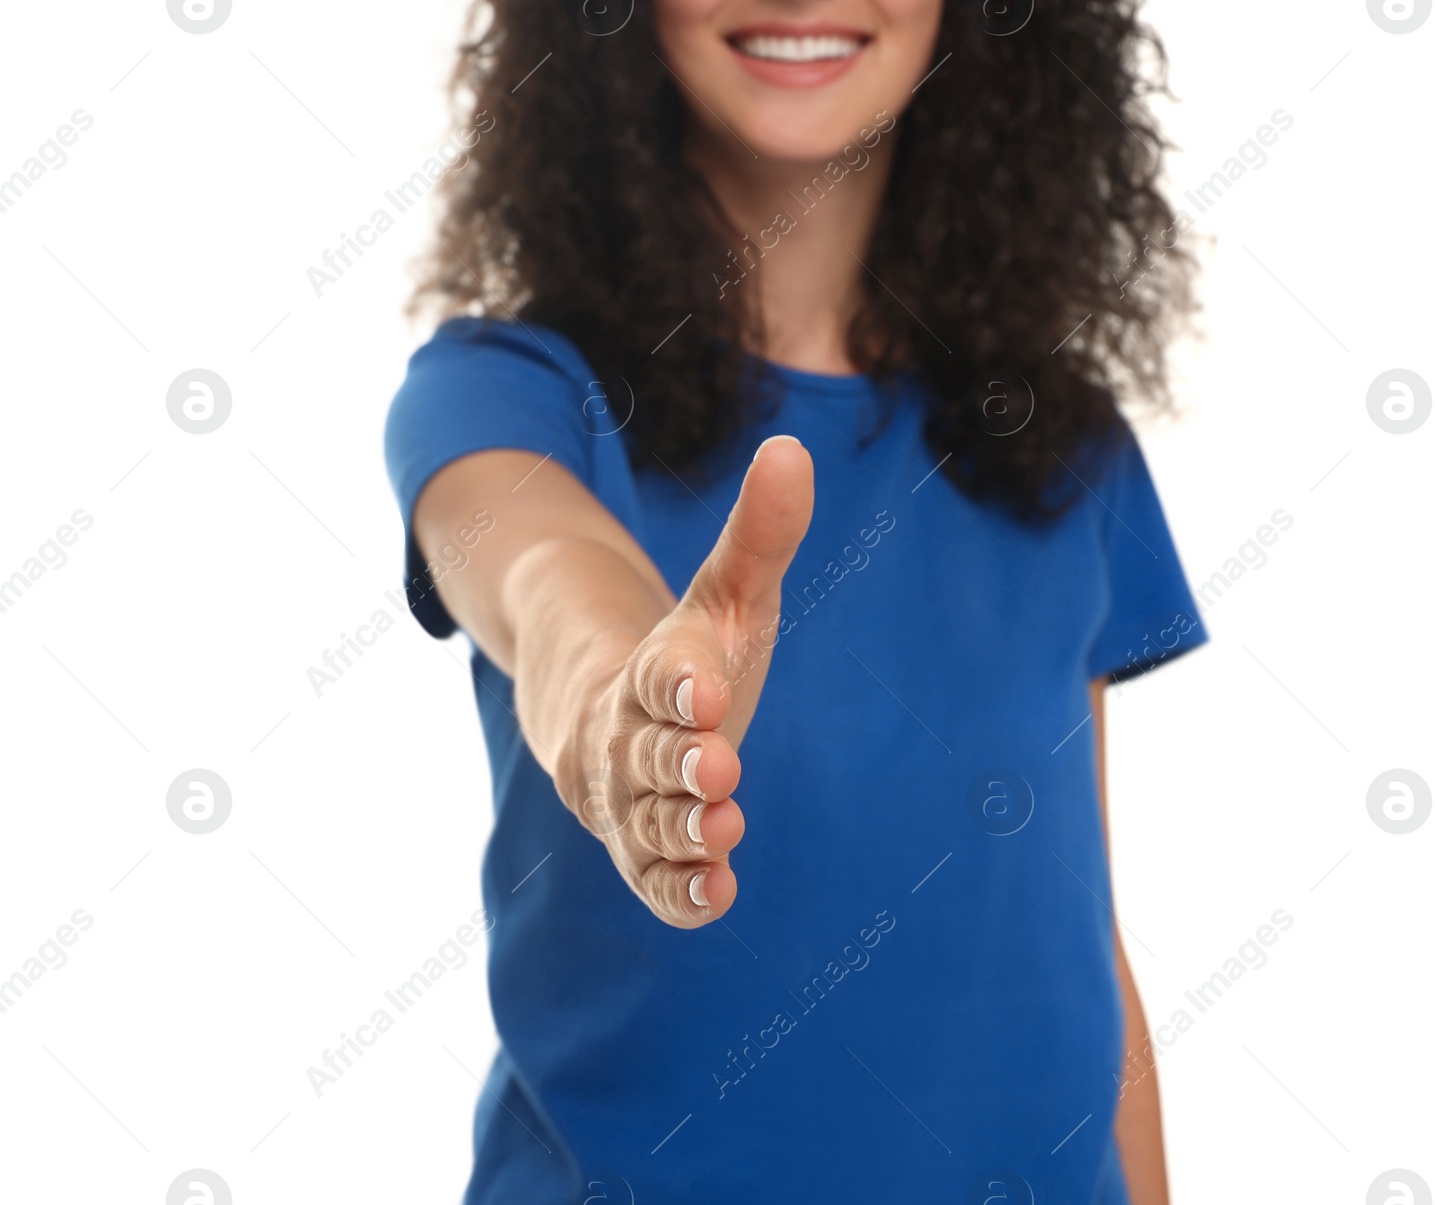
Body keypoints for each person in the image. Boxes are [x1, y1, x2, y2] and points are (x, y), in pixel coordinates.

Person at [384, 2, 1206, 1201]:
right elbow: (539, 578)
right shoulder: (501, 394)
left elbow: (1079, 928)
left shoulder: (1059, 441)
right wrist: (622, 693)